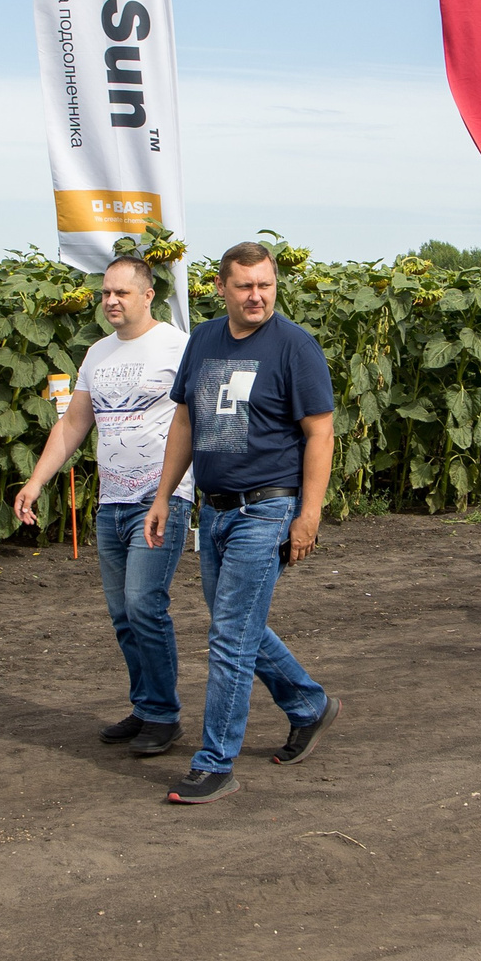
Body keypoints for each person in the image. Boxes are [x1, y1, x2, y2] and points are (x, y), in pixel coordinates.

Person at [144, 243, 338, 805]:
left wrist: (308, 515)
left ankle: (215, 762)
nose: (257, 296)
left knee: (229, 634)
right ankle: (309, 705)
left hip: (268, 508)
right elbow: (185, 420)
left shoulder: (295, 347)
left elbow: (319, 433)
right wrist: (164, 496)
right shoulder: (203, 341)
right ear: (222, 288)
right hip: (216, 508)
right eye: (245, 286)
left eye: (266, 285)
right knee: (240, 626)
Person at [15, 255, 196, 757]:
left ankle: (163, 715)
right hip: (111, 502)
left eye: (121, 293)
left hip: (160, 500)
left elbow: (196, 418)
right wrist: (35, 481)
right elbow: (74, 424)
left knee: (144, 604)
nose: (111, 301)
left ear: (147, 296)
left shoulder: (178, 347)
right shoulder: (97, 353)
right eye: (105, 293)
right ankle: (146, 706)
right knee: (122, 614)